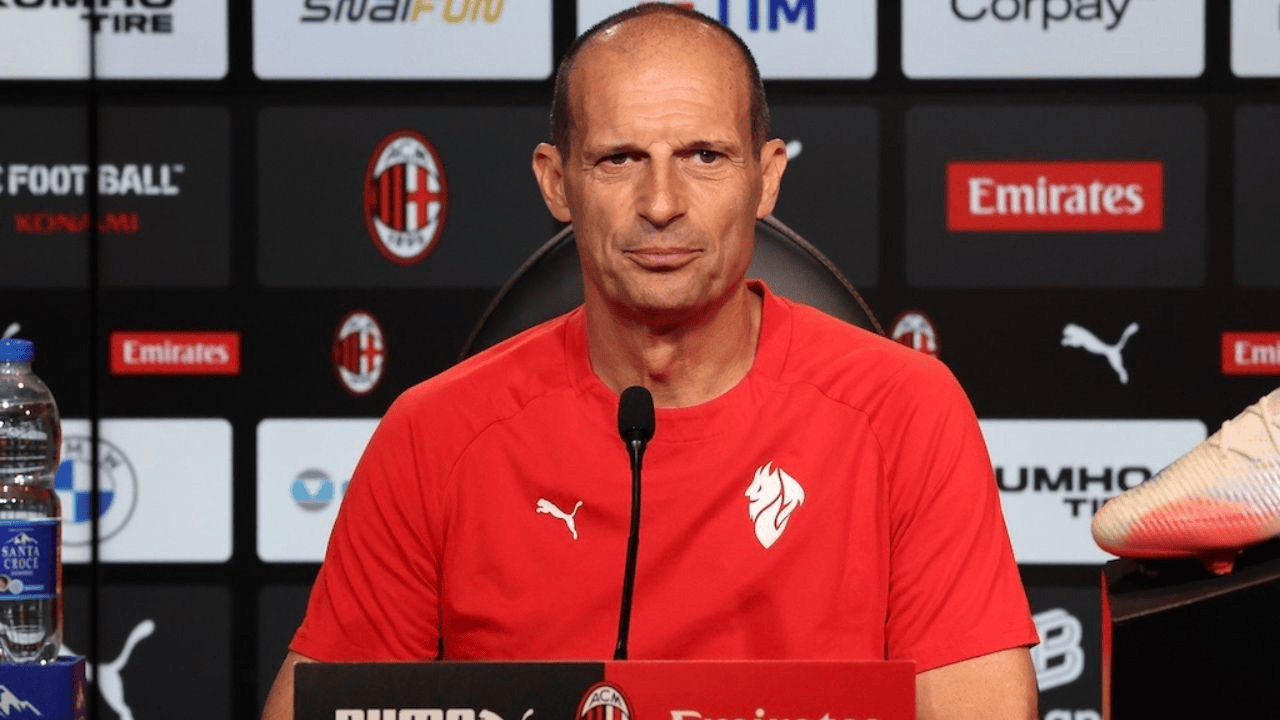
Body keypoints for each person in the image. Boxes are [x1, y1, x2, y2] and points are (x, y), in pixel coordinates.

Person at [262, 5, 1040, 719]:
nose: (661, 202)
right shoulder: (434, 436)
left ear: (766, 178)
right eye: (619, 158)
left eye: (704, 155)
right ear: (556, 182)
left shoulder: (905, 413)